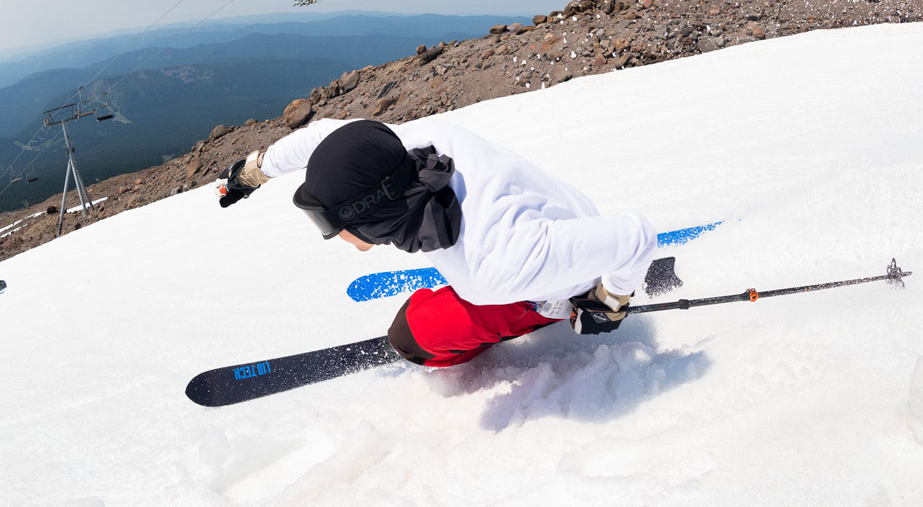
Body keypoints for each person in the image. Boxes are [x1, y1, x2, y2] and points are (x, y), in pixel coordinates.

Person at [217, 118, 656, 366]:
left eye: (327, 223)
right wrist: (255, 170)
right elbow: (325, 137)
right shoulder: (403, 150)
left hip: (555, 281)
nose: (329, 236)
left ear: (375, 219)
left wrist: (609, 302)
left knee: (413, 334)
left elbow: (636, 236)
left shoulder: (491, 269)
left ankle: (552, 311)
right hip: (555, 218)